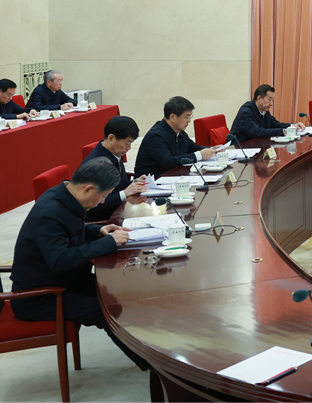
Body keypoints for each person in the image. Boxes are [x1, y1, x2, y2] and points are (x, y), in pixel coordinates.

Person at [9, 157, 149, 370]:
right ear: (88, 189)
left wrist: (98, 231)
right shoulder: (49, 212)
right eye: (103, 196)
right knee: (107, 311)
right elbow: (60, 260)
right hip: (40, 297)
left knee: (121, 293)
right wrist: (108, 243)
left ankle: (150, 355)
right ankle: (153, 367)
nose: (102, 202)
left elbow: (71, 232)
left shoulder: (65, 197)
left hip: (68, 280)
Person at [82, 115, 149, 222]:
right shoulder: (96, 165)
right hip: (103, 221)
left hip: (120, 211)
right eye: (127, 143)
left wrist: (134, 183)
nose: (129, 148)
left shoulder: (114, 153)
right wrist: (124, 193)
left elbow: (118, 186)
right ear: (111, 138)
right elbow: (92, 207)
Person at [134, 96, 215, 177]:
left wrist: (213, 149)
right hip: (154, 180)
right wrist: (199, 155)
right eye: (187, 117)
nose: (189, 121)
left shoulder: (179, 132)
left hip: (175, 175)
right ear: (172, 117)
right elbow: (168, 162)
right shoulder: (155, 136)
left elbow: (193, 148)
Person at [229, 84, 306, 143]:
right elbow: (256, 132)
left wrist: (292, 126)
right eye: (269, 100)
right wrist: (284, 131)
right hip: (237, 148)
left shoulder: (264, 111)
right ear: (259, 98)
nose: (271, 104)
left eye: (272, 100)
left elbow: (276, 125)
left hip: (255, 145)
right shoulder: (245, 112)